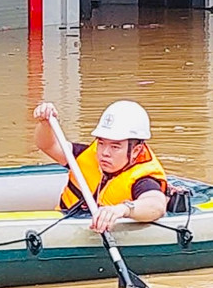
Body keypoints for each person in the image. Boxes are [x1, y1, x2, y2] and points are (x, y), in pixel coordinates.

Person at [33, 100, 168, 233]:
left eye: (115, 147)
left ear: (136, 151)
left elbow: (156, 205)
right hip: (61, 225)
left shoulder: (143, 179)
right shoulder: (85, 155)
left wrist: (123, 209)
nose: (104, 153)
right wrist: (45, 123)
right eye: (101, 143)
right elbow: (48, 146)